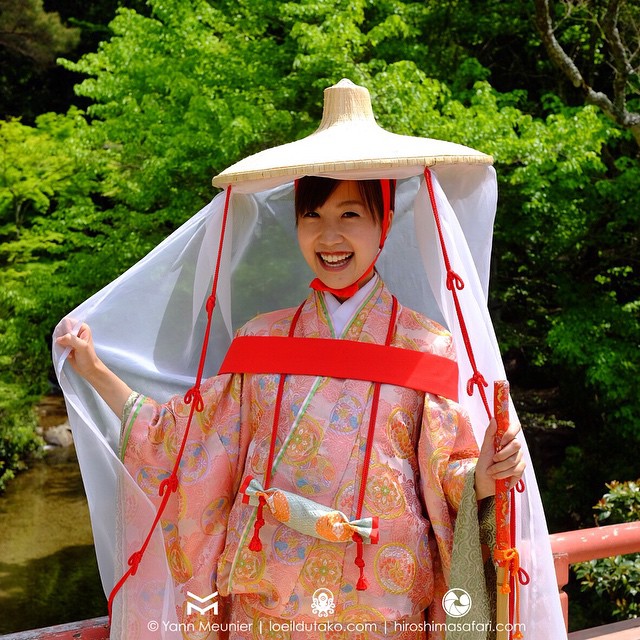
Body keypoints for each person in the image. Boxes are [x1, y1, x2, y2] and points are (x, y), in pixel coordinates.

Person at [53, 80, 567, 640]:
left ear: (384, 223)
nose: (330, 236)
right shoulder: (260, 341)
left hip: (380, 608)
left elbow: (450, 475)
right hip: (268, 604)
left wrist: (485, 472)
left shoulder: (426, 345)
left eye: (350, 215)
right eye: (313, 215)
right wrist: (95, 370)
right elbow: (186, 446)